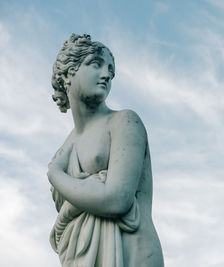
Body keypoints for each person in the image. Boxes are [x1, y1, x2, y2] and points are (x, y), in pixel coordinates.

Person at [47, 34, 164, 267]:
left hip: (130, 253)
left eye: (110, 69)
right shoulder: (62, 153)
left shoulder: (124, 122)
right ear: (68, 72)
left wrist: (55, 176)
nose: (106, 74)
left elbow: (117, 199)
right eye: (95, 63)